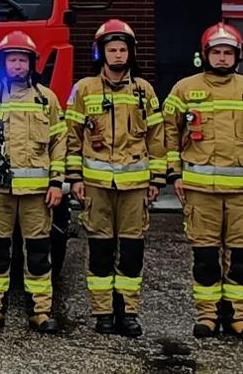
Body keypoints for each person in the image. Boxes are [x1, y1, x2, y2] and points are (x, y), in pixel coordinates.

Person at [164, 23, 243, 340]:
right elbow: (169, 136)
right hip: (200, 192)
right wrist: (175, 176)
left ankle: (237, 317)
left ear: (237, 56)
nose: (222, 58)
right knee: (206, 257)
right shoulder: (183, 89)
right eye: (217, 52)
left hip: (242, 193)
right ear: (205, 55)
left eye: (228, 53)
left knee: (240, 258)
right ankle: (208, 316)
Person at [63, 19, 165, 337]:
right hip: (95, 186)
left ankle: (128, 312)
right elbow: (71, 136)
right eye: (112, 49)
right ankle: (103, 312)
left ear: (130, 53)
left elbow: (157, 137)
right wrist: (75, 177)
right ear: (100, 53)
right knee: (100, 250)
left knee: (132, 252)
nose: (118, 55)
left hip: (135, 187)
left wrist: (156, 179)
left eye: (123, 49)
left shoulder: (144, 91)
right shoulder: (84, 89)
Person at [0, 31, 67, 333]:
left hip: (37, 194)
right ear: (2, 64)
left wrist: (56, 182)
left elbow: (59, 142)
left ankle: (40, 311)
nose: (18, 66)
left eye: (23, 60)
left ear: (32, 63)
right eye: (12, 60)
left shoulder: (46, 99)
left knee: (38, 252)